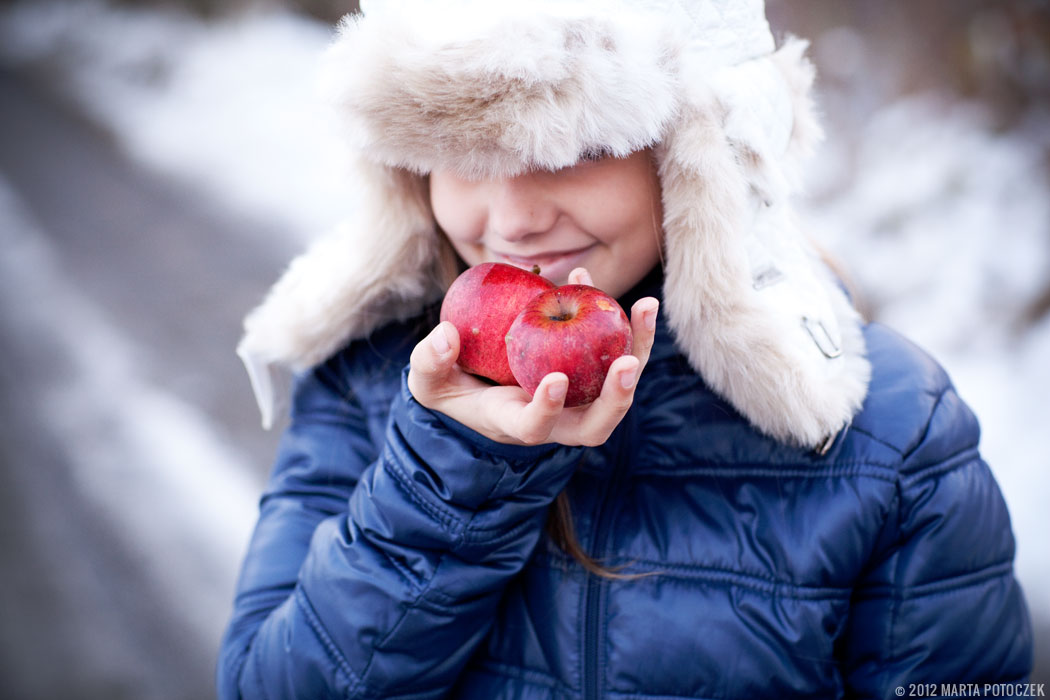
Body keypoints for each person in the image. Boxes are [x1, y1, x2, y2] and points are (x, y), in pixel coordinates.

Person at [217, 1, 1033, 698]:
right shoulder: (371, 380)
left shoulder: (888, 431)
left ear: (697, 161)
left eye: (570, 152)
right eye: (461, 157)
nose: (511, 221)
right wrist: (448, 479)